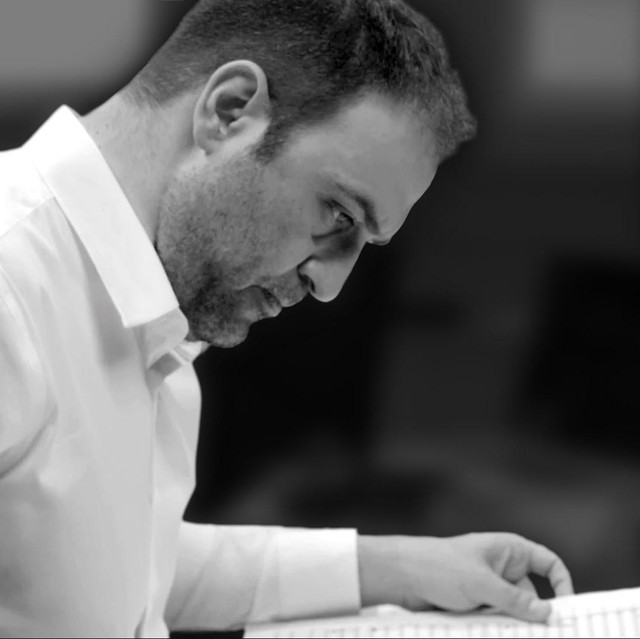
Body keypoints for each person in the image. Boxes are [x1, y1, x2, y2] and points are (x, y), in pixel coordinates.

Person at [0, 0, 573, 636]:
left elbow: (112, 569)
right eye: (339, 215)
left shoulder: (148, 303)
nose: (330, 286)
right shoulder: (10, 286)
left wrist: (404, 568)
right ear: (229, 112)